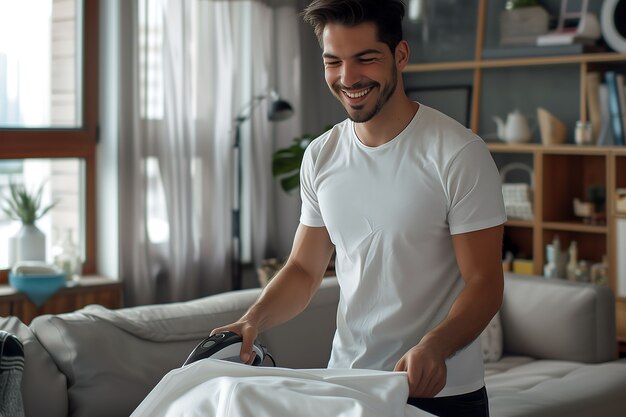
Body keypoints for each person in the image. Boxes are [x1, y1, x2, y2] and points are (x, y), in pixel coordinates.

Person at [212, 1, 507, 415]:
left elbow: (484, 282)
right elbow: (304, 268)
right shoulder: (321, 155)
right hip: (349, 385)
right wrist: (252, 320)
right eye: (333, 62)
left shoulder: (458, 154)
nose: (347, 78)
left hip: (441, 393)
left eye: (365, 59)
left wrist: (435, 345)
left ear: (400, 56)